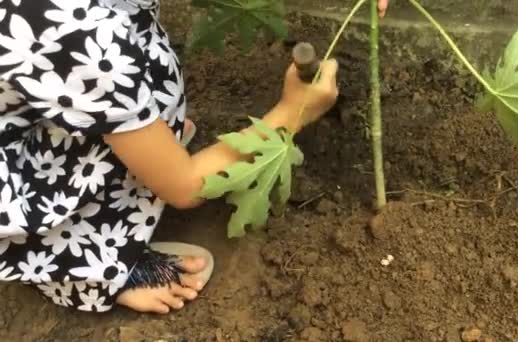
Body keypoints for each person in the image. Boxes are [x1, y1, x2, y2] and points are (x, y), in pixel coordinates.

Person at [0, 0, 388, 314]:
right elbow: (185, 187)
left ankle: (138, 132)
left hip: (52, 83)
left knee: (116, 90)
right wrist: (291, 113)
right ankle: (84, 269)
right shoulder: (74, 33)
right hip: (14, 174)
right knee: (164, 173)